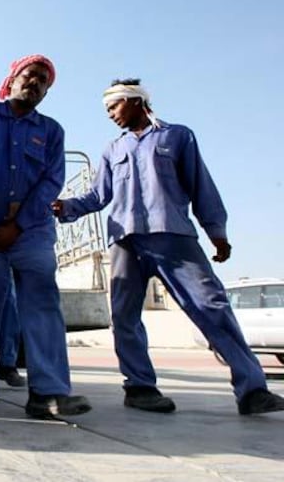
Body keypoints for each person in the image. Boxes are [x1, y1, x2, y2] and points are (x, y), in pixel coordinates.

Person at [52, 78, 284, 415]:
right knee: (125, 316)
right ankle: (140, 387)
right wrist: (66, 206)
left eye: (114, 106)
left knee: (211, 306)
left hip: (172, 235)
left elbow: (200, 183)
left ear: (135, 101)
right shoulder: (112, 150)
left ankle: (252, 390)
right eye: (106, 109)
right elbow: (98, 196)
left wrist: (216, 231)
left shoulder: (177, 136)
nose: (110, 114)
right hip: (125, 240)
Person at [0, 55, 90, 418]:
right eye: (31, 75)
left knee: (43, 307)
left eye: (44, 81)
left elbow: (51, 182)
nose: (36, 83)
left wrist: (18, 224)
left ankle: (49, 392)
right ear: (12, 78)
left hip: (32, 234)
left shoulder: (53, 131)